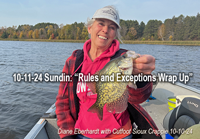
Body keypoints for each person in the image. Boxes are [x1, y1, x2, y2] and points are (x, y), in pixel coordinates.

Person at [56, 5, 161, 139]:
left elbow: (139, 97)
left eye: (112, 27)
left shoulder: (123, 58)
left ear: (115, 34)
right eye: (101, 23)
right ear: (90, 28)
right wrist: (66, 134)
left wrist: (142, 76)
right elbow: (62, 101)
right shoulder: (74, 62)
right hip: (83, 134)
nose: (105, 30)